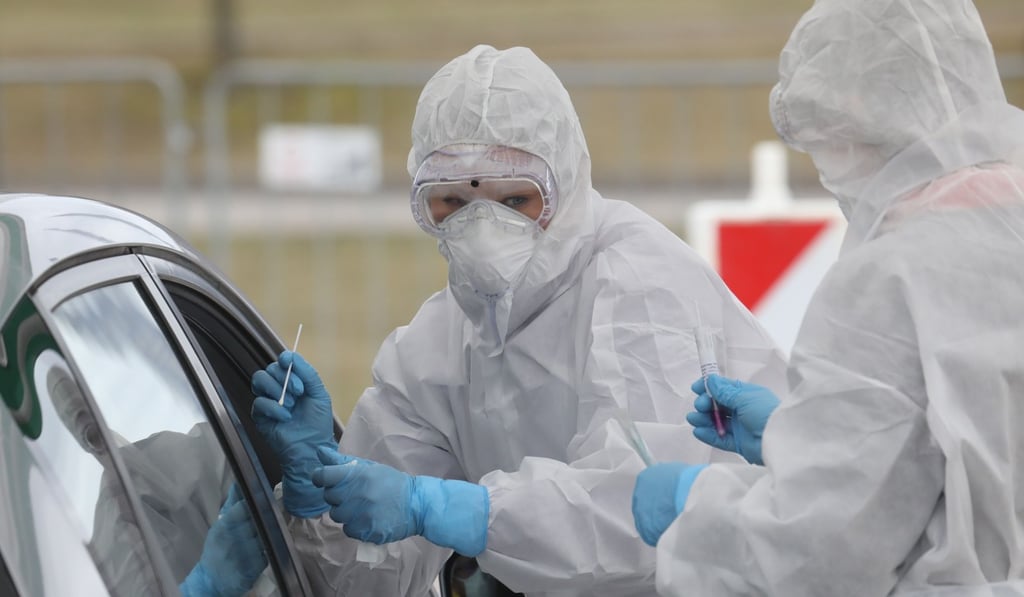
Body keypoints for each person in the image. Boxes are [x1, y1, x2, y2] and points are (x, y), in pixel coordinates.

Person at [250, 44, 788, 595]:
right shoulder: (438, 345)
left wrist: (454, 507)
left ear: (566, 181)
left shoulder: (638, 283)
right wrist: (318, 493)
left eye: (515, 198)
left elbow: (637, 525)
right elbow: (370, 577)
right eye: (452, 201)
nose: (484, 223)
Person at [630, 0, 1024, 595]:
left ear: (859, 118)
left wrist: (695, 504)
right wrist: (802, 432)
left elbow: (817, 554)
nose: (826, 170)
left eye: (823, 140)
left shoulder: (887, 278)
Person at [46, 352, 268, 596]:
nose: (93, 437)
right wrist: (203, 588)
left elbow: (236, 460)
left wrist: (301, 494)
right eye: (81, 421)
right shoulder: (89, 545)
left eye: (90, 417)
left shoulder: (165, 465)